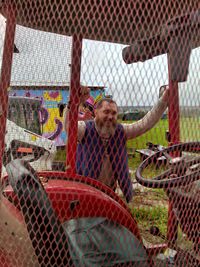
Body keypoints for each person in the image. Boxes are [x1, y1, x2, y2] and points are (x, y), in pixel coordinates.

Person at [64, 86, 169, 203]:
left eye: (114, 113)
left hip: (109, 194)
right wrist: (73, 103)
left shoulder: (120, 131)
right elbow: (69, 127)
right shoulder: (85, 129)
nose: (110, 117)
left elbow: (145, 123)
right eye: (106, 112)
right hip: (85, 193)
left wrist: (163, 100)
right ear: (96, 112)